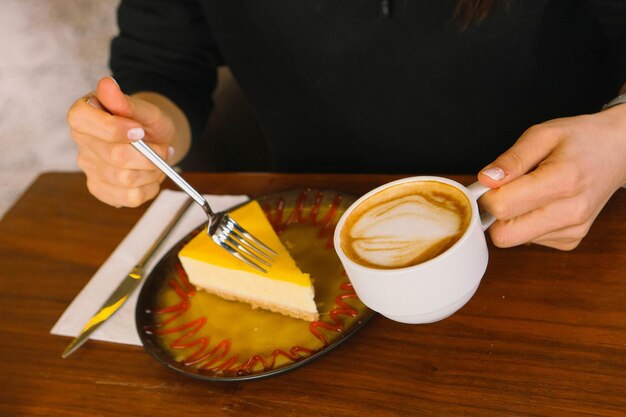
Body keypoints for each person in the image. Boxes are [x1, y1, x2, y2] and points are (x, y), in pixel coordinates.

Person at [67, 0, 626, 251]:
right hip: (318, 235)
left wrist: (616, 141)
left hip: (566, 226)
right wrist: (145, 133)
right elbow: (164, 63)